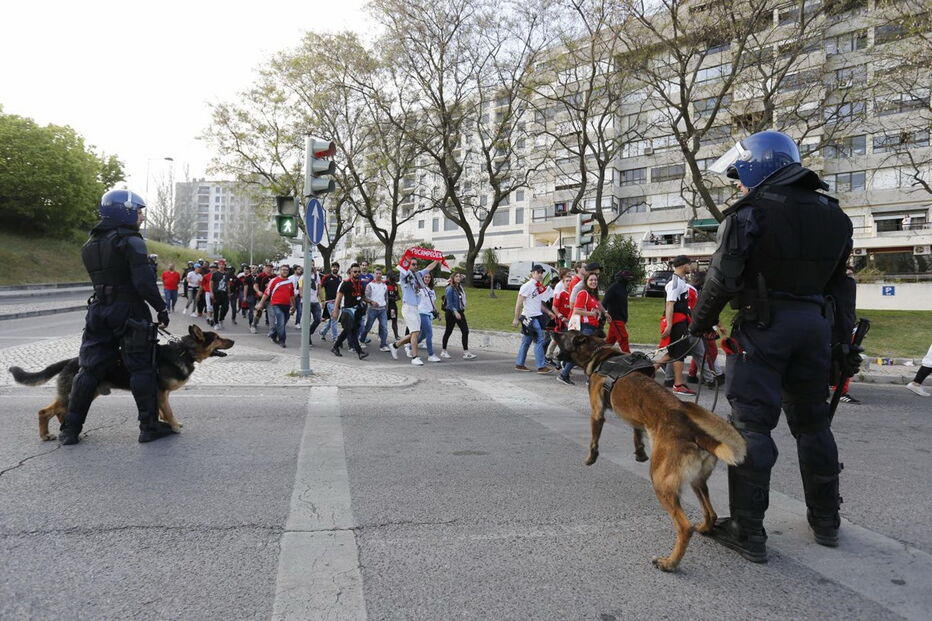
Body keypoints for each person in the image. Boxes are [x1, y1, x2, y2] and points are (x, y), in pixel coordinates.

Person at [688, 130, 858, 562]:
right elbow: (842, 287)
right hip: (816, 328)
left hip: (764, 327)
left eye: (741, 175)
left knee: (751, 427)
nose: (739, 185)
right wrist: (841, 345)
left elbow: (722, 278)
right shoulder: (835, 215)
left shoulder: (749, 212)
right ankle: (826, 522)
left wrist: (700, 324)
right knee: (814, 425)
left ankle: (748, 529)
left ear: (759, 164)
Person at [59, 189, 173, 445]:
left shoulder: (90, 243)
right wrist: (161, 308)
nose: (141, 218)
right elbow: (143, 282)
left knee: (88, 370)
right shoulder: (130, 240)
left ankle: (70, 430)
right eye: (139, 212)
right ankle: (149, 427)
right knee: (142, 367)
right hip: (128, 309)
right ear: (125, 211)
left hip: (98, 309)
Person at [656, 255, 696, 395]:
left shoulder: (680, 281)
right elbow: (670, 304)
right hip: (677, 321)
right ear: (683, 265)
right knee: (679, 352)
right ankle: (678, 385)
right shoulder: (675, 282)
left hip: (681, 320)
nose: (690, 267)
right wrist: (670, 325)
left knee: (675, 351)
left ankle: (651, 370)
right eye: (689, 264)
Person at [389, 257, 440, 366]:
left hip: (416, 307)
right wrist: (407, 256)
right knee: (415, 333)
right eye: (413, 264)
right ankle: (415, 357)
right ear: (408, 265)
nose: (415, 266)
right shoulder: (404, 274)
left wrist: (437, 260)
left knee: (415, 333)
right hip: (408, 307)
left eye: (416, 264)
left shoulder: (418, 275)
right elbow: (402, 265)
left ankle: (395, 345)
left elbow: (428, 268)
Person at [557, 272, 602, 385]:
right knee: (583, 354)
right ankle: (584, 378)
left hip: (592, 327)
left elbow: (595, 309)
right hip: (585, 327)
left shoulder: (592, 295)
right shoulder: (583, 293)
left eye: (595, 280)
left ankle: (565, 374)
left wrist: (602, 313)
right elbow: (576, 310)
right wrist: (591, 314)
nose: (593, 282)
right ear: (586, 281)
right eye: (591, 280)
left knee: (587, 354)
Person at [512, 264, 556, 375]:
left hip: (536, 316)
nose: (540, 274)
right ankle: (541, 366)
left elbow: (539, 303)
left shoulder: (539, 287)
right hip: (529, 317)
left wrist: (548, 312)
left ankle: (519, 364)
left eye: (541, 272)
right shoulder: (526, 286)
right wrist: (516, 319)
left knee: (526, 341)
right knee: (539, 339)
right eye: (538, 272)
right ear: (533, 273)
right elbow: (518, 303)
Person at [331, 263, 368, 359]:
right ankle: (359, 352)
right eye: (355, 272)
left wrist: (370, 301)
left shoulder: (360, 284)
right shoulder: (346, 283)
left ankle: (335, 347)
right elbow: (338, 297)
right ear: (350, 272)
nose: (357, 273)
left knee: (348, 330)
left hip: (357, 310)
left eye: (359, 272)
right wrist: (336, 310)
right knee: (352, 331)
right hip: (348, 310)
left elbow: (362, 296)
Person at [256, 265, 295, 348]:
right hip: (276, 304)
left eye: (286, 270)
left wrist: (293, 306)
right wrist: (261, 303)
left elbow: (292, 295)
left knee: (283, 323)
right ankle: (282, 340)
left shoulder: (290, 282)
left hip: (286, 305)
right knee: (280, 321)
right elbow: (267, 293)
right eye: (283, 270)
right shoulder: (274, 281)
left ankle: (273, 335)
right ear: (279, 271)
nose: (285, 271)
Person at [441, 272, 476, 360]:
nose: (458, 278)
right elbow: (449, 303)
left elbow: (464, 276)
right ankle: (444, 351)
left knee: (465, 331)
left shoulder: (459, 288)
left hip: (460, 311)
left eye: (459, 276)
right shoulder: (450, 289)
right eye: (456, 276)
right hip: (451, 312)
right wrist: (455, 312)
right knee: (448, 331)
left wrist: (459, 311)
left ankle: (466, 352)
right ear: (452, 278)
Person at [602, 269, 633, 353]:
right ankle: (628, 358)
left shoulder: (623, 288)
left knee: (610, 340)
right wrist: (603, 317)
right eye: (627, 278)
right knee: (623, 338)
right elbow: (604, 303)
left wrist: (625, 318)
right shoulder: (613, 288)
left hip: (621, 318)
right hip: (615, 318)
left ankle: (599, 354)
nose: (628, 280)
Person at [361, 269, 390, 351]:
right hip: (372, 309)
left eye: (379, 273)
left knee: (384, 327)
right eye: (376, 273)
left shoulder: (384, 285)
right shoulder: (370, 285)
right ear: (374, 274)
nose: (378, 275)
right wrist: (371, 302)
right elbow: (366, 297)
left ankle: (383, 345)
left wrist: (386, 308)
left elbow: (386, 298)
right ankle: (362, 340)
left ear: (381, 275)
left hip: (382, 309)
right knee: (368, 327)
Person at [301, 261, 323, 345]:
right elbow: (300, 290)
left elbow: (319, 288)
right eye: (310, 264)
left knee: (318, 319)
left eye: (313, 265)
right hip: (306, 302)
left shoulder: (317, 276)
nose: (312, 266)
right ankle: (307, 339)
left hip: (315, 301)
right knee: (307, 321)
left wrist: (322, 300)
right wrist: (304, 298)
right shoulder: (302, 277)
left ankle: (308, 334)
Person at [319, 263, 342, 342]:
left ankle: (323, 332)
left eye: (337, 267)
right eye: (334, 267)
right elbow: (320, 288)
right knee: (334, 319)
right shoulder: (326, 277)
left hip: (338, 302)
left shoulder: (340, 278)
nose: (335, 268)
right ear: (331, 268)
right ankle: (335, 338)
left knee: (332, 320)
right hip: (330, 302)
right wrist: (322, 300)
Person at [210, 262, 231, 330]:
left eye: (223, 265)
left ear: (225, 266)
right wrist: (211, 292)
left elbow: (228, 284)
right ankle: (216, 323)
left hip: (224, 293)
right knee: (215, 309)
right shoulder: (215, 274)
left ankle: (221, 319)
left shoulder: (227, 274)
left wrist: (229, 292)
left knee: (225, 308)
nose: (221, 266)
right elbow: (211, 283)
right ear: (218, 266)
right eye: (220, 265)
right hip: (216, 293)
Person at [385, 272, 400, 341]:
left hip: (392, 307)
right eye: (394, 275)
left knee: (394, 320)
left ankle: (396, 336)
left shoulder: (395, 285)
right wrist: (392, 298)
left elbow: (397, 295)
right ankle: (381, 335)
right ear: (389, 276)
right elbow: (384, 295)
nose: (396, 277)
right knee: (383, 321)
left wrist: (397, 297)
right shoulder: (385, 284)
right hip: (385, 306)